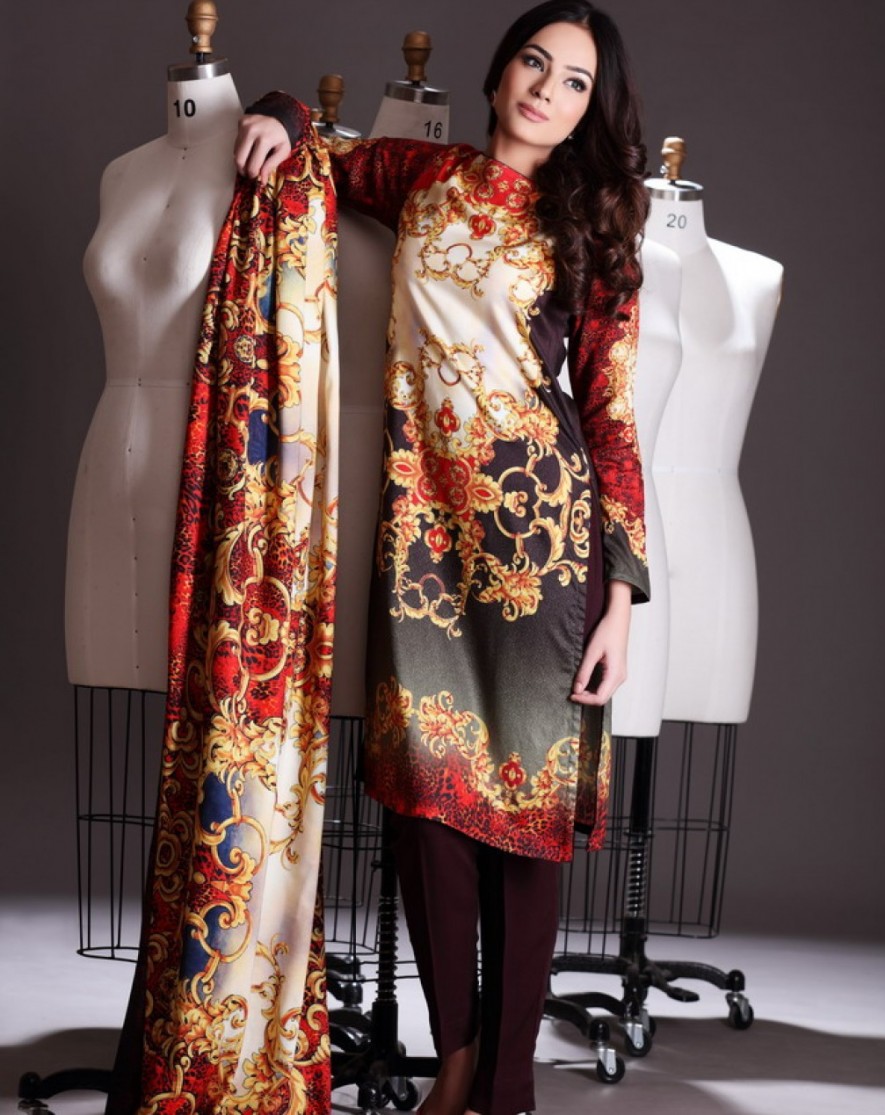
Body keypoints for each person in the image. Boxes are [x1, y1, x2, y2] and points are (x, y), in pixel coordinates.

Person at [235, 3, 650, 1112]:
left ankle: (504, 1086)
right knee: (425, 811)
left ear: (587, 113)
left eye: (574, 82)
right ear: (501, 69)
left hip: (541, 549)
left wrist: (620, 597)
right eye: (535, 63)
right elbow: (321, 148)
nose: (546, 90)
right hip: (422, 543)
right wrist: (277, 112)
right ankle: (454, 1053)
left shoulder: (592, 226)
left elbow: (610, 416)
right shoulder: (426, 175)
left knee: (525, 823)